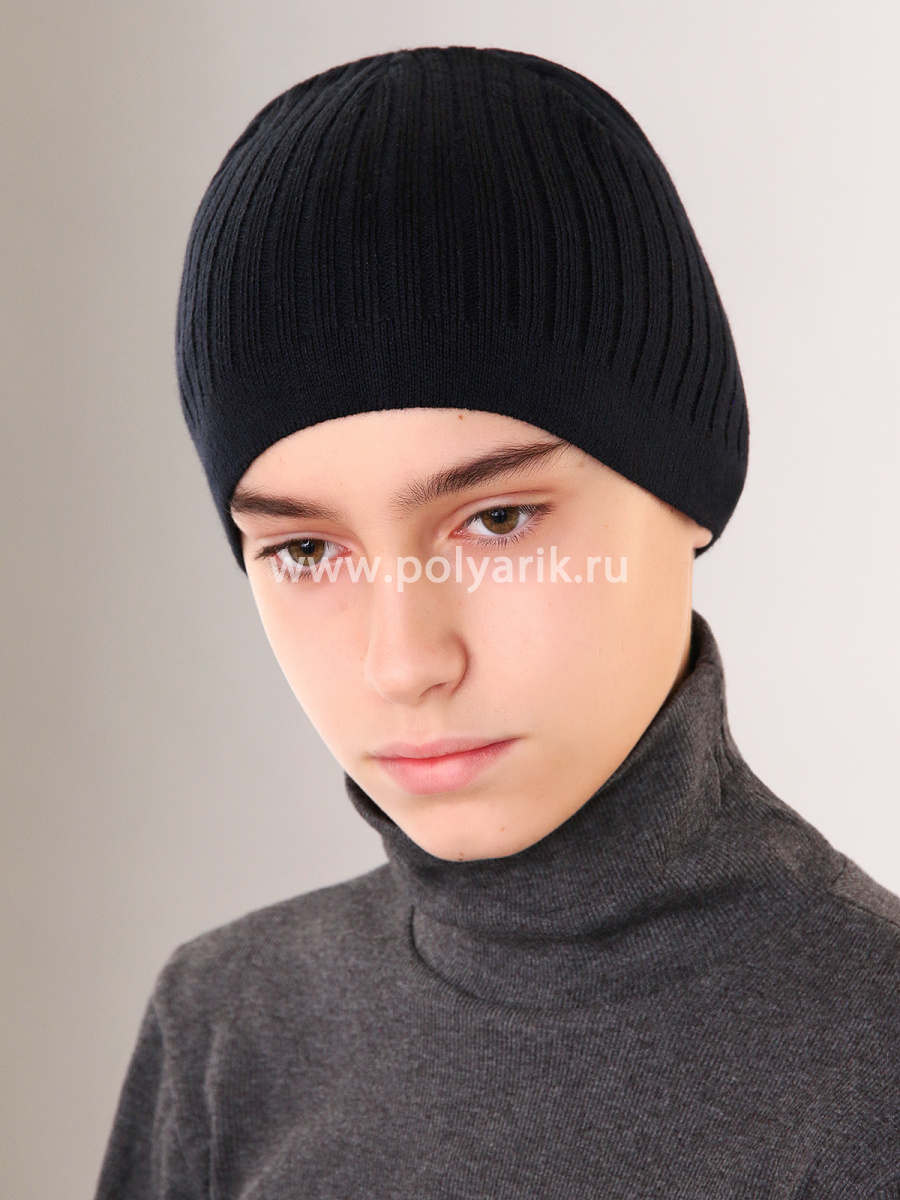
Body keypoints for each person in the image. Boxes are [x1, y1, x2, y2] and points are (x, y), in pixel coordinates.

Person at [94, 45, 900, 1198]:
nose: (404, 661)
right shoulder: (226, 1028)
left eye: (499, 519)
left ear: (689, 487)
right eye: (305, 548)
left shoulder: (873, 1052)